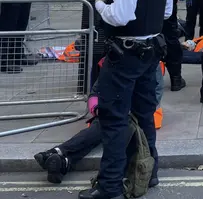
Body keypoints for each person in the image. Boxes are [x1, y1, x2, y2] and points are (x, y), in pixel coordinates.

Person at [79, 0, 172, 199]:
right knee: (144, 114)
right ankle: (148, 174)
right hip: (150, 52)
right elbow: (166, 13)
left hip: (125, 55)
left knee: (114, 120)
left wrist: (99, 3)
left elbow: (120, 16)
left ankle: (109, 187)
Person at [34, 57, 165, 184]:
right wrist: (98, 109)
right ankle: (64, 162)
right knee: (104, 125)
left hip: (136, 116)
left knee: (104, 126)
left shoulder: (150, 62)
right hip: (112, 112)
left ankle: (59, 154)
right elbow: (95, 92)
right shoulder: (114, 60)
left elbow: (154, 96)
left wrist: (122, 112)